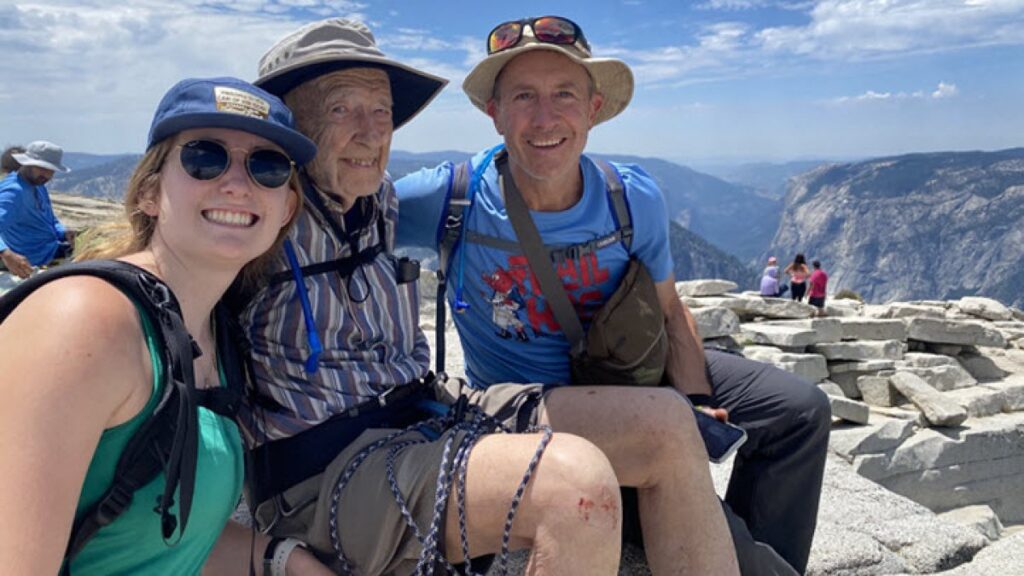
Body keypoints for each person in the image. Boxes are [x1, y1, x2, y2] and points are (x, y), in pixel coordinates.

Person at [397, 15, 832, 575]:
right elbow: (342, 206)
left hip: (628, 371)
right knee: (726, 542)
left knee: (800, 411)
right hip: (532, 404)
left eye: (564, 94)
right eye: (524, 96)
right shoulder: (450, 197)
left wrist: (696, 402)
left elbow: (669, 309)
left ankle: (759, 543)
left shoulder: (629, 196)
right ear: (494, 113)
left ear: (593, 108)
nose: (545, 117)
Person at [237, 18, 634, 576]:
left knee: (664, 424)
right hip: (324, 475)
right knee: (575, 486)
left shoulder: (380, 202)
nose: (370, 133)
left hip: (420, 417)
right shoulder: (253, 220)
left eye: (381, 111)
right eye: (341, 109)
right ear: (290, 124)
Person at [0, 77, 331, 575]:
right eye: (204, 158)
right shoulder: (85, 323)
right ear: (149, 192)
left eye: (268, 167)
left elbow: (154, 536)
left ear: (285, 208)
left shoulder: (213, 335)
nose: (238, 184)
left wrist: (282, 558)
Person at [0, 140, 76, 278]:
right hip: (32, 263)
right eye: (42, 168)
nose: (47, 175)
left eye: (51, 170)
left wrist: (63, 232)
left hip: (52, 250)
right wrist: (6, 254)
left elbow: (50, 219)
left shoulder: (38, 185)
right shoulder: (13, 192)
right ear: (27, 163)